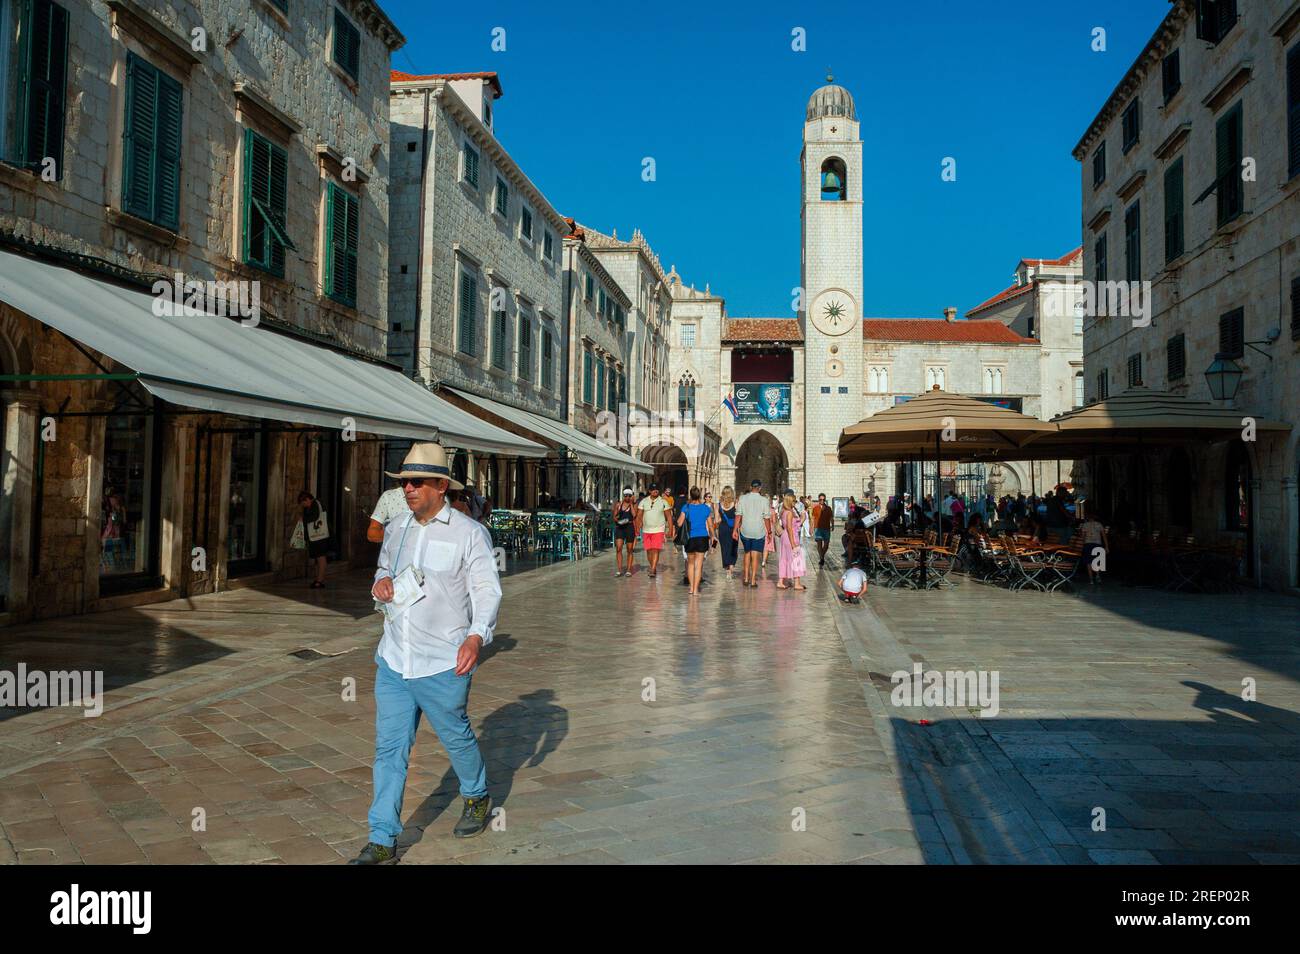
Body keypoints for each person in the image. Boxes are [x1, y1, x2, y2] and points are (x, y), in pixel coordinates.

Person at [351, 443, 500, 864]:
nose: (408, 489)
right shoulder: (396, 527)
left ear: (440, 486)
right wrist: (380, 582)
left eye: (416, 483)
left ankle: (475, 794)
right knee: (389, 751)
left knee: (456, 736)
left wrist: (476, 636)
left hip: (443, 660)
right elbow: (384, 569)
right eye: (404, 483)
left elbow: (486, 590)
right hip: (395, 658)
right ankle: (382, 838)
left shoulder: (469, 533)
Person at [675, 486, 714, 596]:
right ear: (700, 495)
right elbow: (710, 526)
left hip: (690, 538)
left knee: (690, 564)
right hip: (702, 537)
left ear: (690, 495)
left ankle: (691, 588)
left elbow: (679, 523)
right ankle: (696, 590)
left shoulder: (686, 507)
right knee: (699, 564)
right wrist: (713, 538)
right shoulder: (706, 508)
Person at [734, 478, 770, 588]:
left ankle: (745, 578)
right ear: (760, 488)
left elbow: (738, 515)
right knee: (755, 555)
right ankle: (753, 580)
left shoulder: (742, 498)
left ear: (751, 487)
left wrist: (735, 529)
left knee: (747, 553)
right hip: (758, 531)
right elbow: (766, 517)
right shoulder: (764, 500)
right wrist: (769, 531)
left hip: (745, 530)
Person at [635, 484, 671, 578]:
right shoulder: (643, 501)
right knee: (649, 550)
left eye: (657, 489)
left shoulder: (663, 502)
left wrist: (670, 529)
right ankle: (652, 566)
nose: (655, 490)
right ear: (649, 491)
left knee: (655, 549)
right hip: (646, 529)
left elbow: (669, 516)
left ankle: (653, 569)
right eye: (653, 489)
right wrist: (637, 527)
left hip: (659, 528)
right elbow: (639, 515)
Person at [775, 491, 807, 591]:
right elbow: (789, 528)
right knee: (796, 559)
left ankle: (780, 581)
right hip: (790, 537)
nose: (795, 503)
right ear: (789, 501)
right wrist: (793, 543)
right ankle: (797, 583)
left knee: (784, 558)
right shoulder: (789, 513)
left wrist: (801, 519)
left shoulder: (784, 511)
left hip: (785, 536)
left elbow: (791, 526)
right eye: (794, 501)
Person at [298, 491, 330, 588]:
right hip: (317, 536)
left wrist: (303, 519)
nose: (304, 506)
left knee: (320, 557)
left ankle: (319, 581)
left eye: (304, 503)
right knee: (319, 557)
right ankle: (318, 579)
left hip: (320, 536)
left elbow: (314, 517)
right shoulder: (315, 504)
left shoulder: (315, 504)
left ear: (307, 499)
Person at [612, 488, 637, 577]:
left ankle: (629, 570)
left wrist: (631, 504)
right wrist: (617, 521)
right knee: (618, 548)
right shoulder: (619, 504)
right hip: (620, 527)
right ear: (623, 495)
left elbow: (634, 515)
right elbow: (614, 516)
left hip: (629, 527)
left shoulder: (633, 505)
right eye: (626, 495)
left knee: (630, 549)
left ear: (631, 496)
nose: (627, 497)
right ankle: (619, 569)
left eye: (629, 496)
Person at [1078, 513, 1109, 585]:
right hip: (1097, 544)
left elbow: (1082, 537)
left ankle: (1091, 580)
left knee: (1089, 562)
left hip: (1088, 544)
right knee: (1096, 562)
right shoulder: (1099, 524)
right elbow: (1104, 536)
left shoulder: (1085, 525)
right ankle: (1097, 575)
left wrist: (1081, 546)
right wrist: (1106, 546)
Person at [716, 486, 739, 579]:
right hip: (733, 529)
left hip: (723, 528)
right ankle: (731, 567)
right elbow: (739, 517)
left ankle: (727, 570)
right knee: (733, 548)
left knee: (724, 549)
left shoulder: (718, 505)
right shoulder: (736, 504)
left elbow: (717, 520)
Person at [811, 492, 833, 567]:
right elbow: (813, 518)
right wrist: (811, 528)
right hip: (818, 528)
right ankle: (821, 559)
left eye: (823, 500)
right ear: (818, 500)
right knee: (819, 543)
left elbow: (831, 518)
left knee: (826, 545)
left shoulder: (828, 508)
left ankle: (822, 556)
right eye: (820, 499)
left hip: (826, 528)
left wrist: (832, 525)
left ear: (825, 500)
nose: (822, 501)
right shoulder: (815, 508)